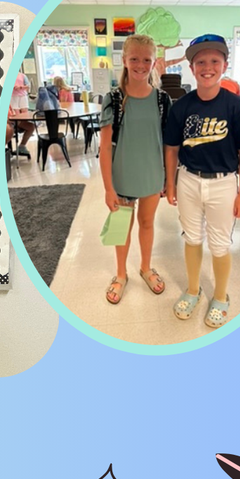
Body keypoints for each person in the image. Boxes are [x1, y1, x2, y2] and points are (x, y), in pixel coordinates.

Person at [164, 34, 240, 329]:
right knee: (192, 238)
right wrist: (171, 183)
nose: (208, 67)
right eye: (201, 61)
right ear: (191, 67)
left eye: (214, 61)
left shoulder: (236, 107)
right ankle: (193, 290)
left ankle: (220, 296)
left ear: (225, 65)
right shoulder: (182, 106)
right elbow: (171, 149)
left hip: (223, 183)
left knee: (219, 244)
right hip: (189, 180)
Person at [98, 35, 170, 304]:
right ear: (125, 61)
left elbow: (167, 144)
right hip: (122, 179)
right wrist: (108, 188)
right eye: (135, 59)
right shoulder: (114, 99)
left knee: (148, 224)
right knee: (120, 228)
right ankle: (120, 274)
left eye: (147, 59)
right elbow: (105, 148)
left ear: (154, 63)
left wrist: (168, 178)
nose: (141, 64)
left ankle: (146, 267)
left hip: (152, 176)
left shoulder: (162, 100)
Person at [9, 72, 34, 158]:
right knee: (17, 117)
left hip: (22, 96)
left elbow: (28, 86)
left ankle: (22, 146)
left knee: (28, 122)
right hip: (13, 97)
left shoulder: (23, 76)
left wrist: (21, 87)